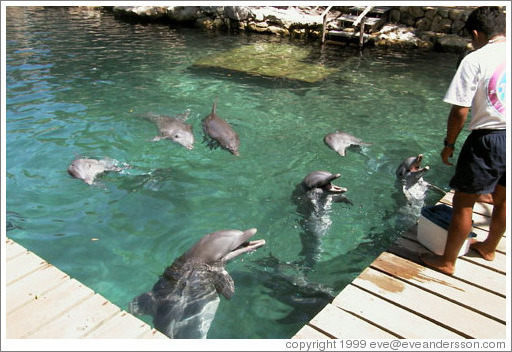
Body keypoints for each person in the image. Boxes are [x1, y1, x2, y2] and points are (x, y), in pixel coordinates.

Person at [421, 6, 506, 275]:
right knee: (504, 198)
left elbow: (460, 109)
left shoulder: (475, 60)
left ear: (476, 33)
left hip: (488, 139)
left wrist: (449, 144)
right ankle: (489, 247)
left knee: (463, 202)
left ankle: (447, 261)